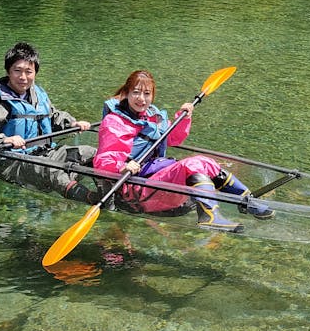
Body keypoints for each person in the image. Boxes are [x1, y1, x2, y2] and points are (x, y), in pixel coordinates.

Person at [93, 70, 272, 232]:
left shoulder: (153, 117)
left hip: (153, 178)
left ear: (153, 96)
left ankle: (248, 201)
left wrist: (184, 118)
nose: (141, 99)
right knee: (192, 164)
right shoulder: (115, 122)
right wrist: (122, 167)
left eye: (147, 94)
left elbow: (172, 139)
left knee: (205, 162)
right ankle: (209, 217)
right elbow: (103, 161)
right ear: (126, 93)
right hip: (133, 188)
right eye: (136, 92)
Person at [0, 42, 98, 203]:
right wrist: (4, 139)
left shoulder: (37, 94)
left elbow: (52, 116)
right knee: (51, 170)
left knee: (90, 153)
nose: (23, 77)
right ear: (8, 72)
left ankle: (115, 194)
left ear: (35, 73)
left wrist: (72, 123)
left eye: (28, 72)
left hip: (44, 152)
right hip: (11, 162)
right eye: (17, 71)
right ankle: (92, 200)